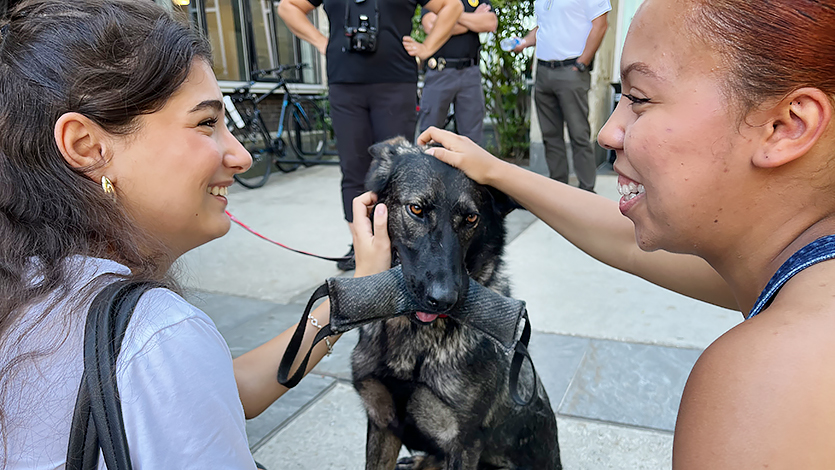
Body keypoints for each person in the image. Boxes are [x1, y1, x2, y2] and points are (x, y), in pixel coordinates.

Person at [419, 0, 835, 466]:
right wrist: (496, 171)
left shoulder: (772, 383)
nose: (608, 132)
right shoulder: (795, 269)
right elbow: (624, 241)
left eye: (638, 98)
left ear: (785, 126)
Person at [0, 0, 391, 467]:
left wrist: (352, 296)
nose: (241, 156)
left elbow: (226, 388)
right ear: (88, 146)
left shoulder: (27, 284)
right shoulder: (157, 336)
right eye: (206, 123)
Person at [278, 0, 462, 271]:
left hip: (396, 82)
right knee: (353, 168)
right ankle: (361, 244)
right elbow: (287, 7)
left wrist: (427, 47)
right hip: (344, 83)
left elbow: (452, 6)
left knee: (396, 171)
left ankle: (394, 245)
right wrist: (321, 41)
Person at [512, 0, 610, 192]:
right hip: (543, 71)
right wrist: (524, 42)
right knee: (550, 135)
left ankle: (587, 191)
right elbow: (543, 27)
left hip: (571, 70)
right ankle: (558, 189)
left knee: (578, 134)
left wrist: (583, 62)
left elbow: (600, 24)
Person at [417, 0, 497, 146]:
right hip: (439, 72)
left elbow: (490, 23)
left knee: (473, 140)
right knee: (429, 134)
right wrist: (473, 20)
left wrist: (448, 16)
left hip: (470, 73)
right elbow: (431, 26)